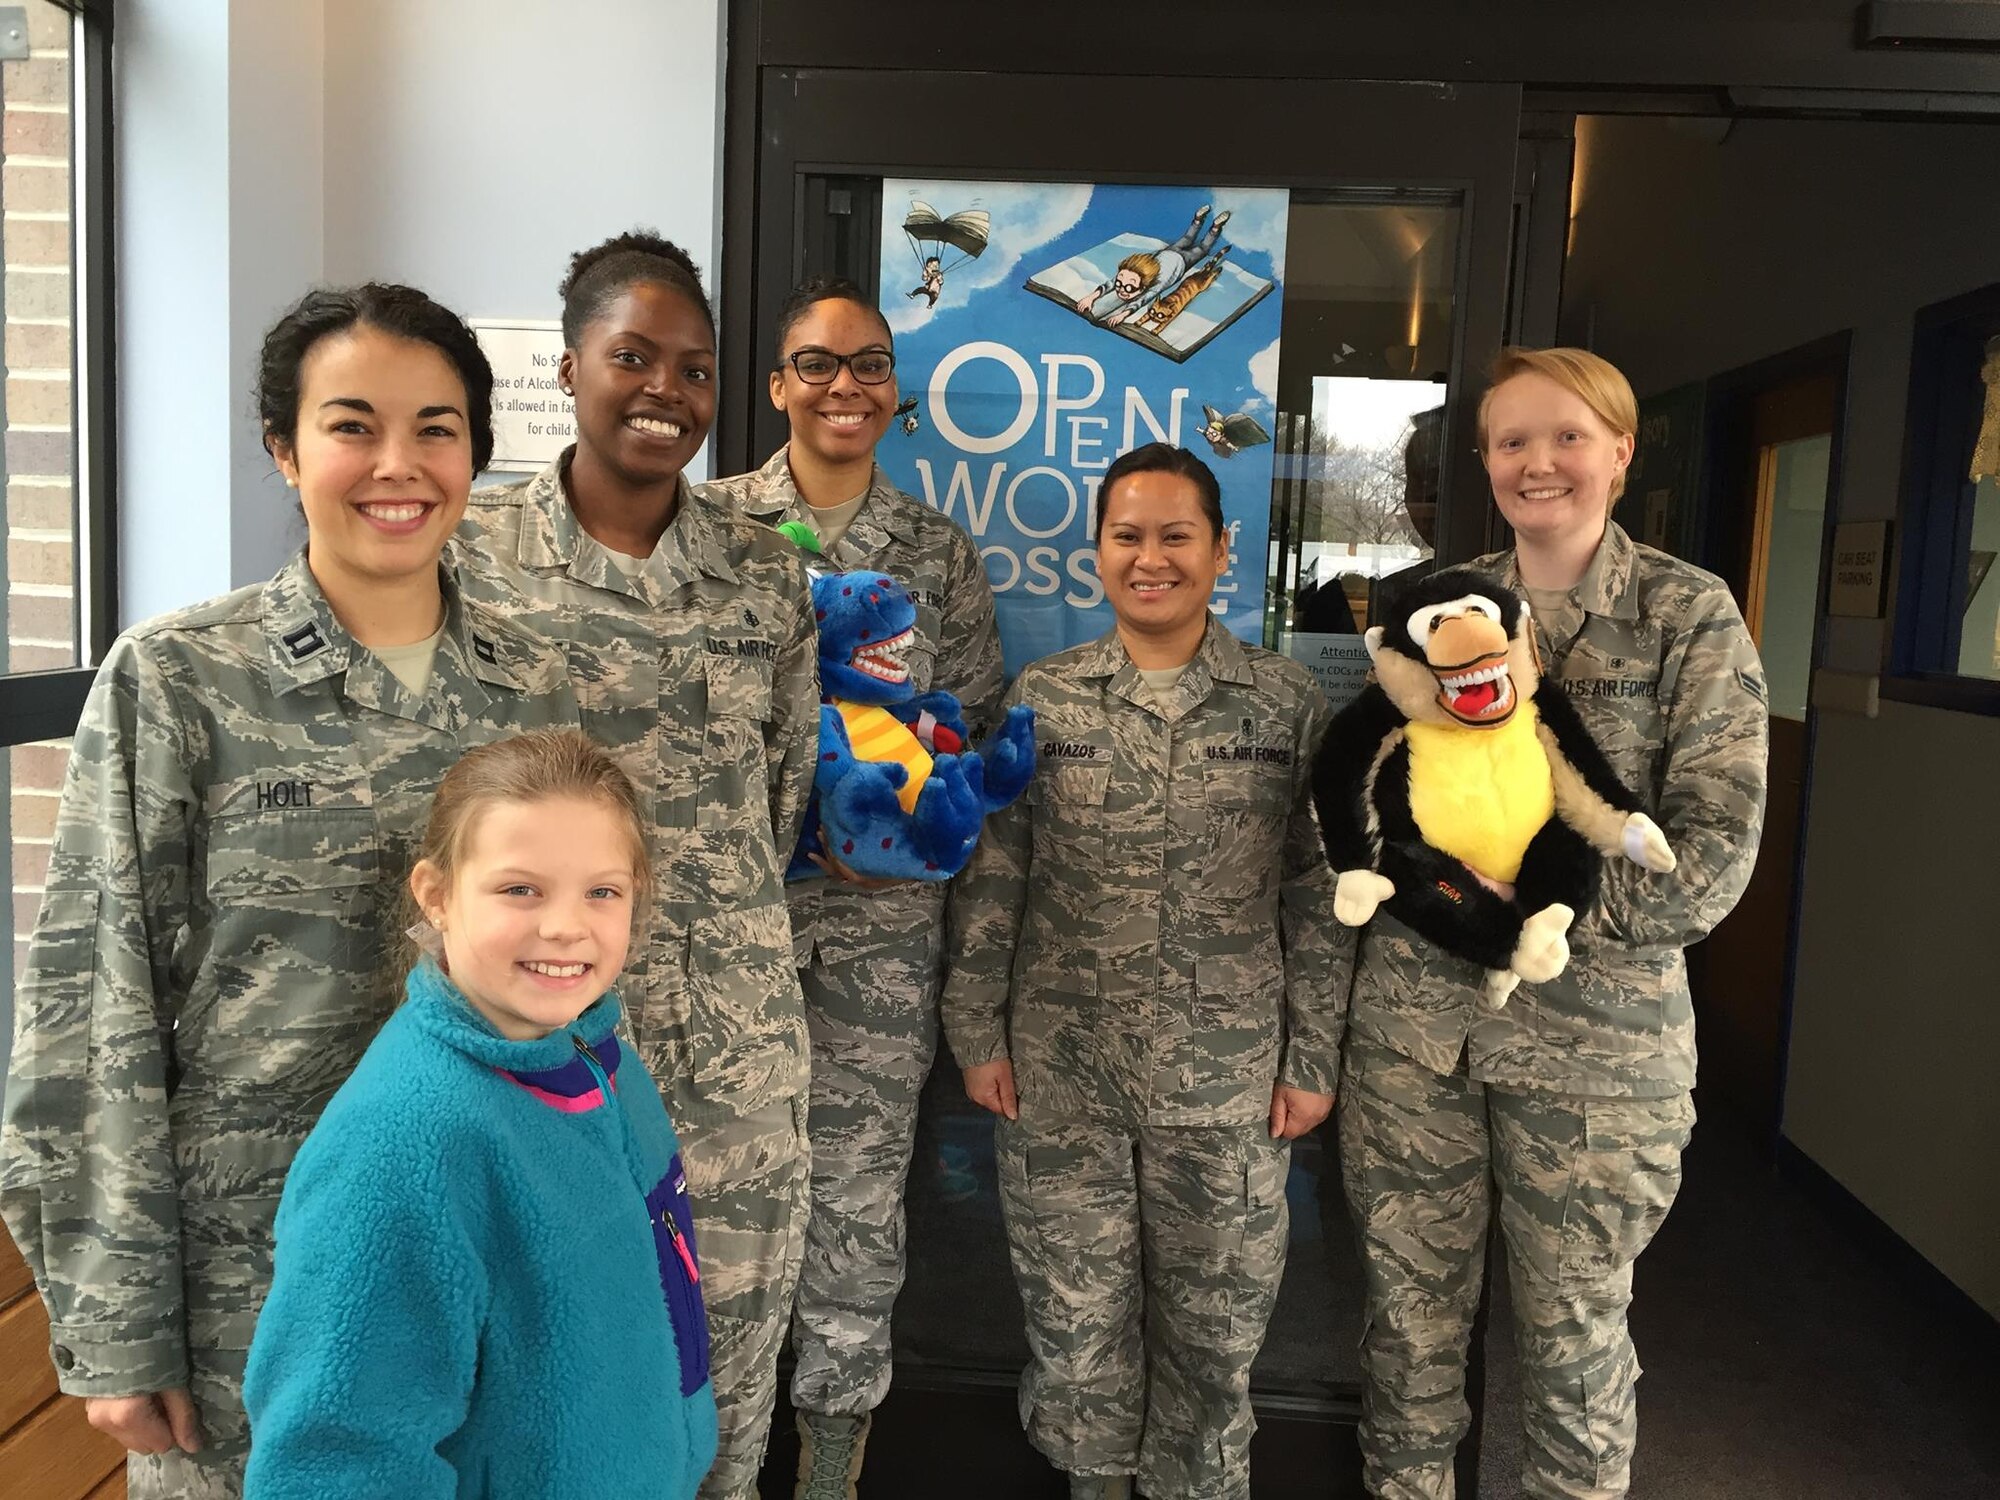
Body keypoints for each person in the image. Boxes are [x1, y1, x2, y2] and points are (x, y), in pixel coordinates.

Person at [0, 283, 582, 1498]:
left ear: (475, 451)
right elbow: (89, 1008)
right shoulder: (180, 681)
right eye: (351, 424)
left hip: (484, 1260)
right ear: (284, 447)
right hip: (254, 1282)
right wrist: (114, 1322)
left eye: (436, 428)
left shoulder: (534, 687)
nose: (397, 465)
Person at [1337, 346, 1768, 1500]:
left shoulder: (1686, 615)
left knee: (1572, 1346)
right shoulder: (1433, 604)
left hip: (1596, 1062)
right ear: (1482, 462)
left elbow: (1711, 856)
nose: (1540, 464)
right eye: (1512, 441)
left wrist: (1532, 907)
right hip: (1417, 1042)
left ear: (1619, 452)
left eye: (1567, 437)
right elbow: (1372, 788)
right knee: (1407, 1337)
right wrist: (1421, 885)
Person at [453, 230, 818, 1500]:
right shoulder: (471, 567)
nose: (665, 388)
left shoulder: (767, 579)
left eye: (694, 367)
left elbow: (780, 807)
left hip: (734, 1063)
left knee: (719, 1383)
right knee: (541, 1378)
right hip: (538, 1052)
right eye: (633, 358)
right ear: (568, 370)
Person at [942, 443, 1346, 1500]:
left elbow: (1317, 894)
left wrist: (1311, 1058)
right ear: (1097, 553)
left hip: (1225, 1087)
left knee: (1213, 1343)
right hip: (1060, 1076)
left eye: (1175, 536)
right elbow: (997, 874)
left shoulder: (1284, 703)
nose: (1149, 558)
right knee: (1075, 1333)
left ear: (1221, 551)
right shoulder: (1047, 697)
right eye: (1127, 535)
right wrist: (976, 1032)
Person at [697, 277, 1004, 1497]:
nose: (843, 386)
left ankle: (830, 1462)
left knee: (859, 1203)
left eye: (868, 365)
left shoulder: (933, 550)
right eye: (816, 364)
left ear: (894, 391)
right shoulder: (708, 528)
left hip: (880, 933)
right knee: (714, 1189)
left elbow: (970, 738)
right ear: (776, 386)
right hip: (728, 924)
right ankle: (713, 1459)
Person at [243, 730, 717, 1498]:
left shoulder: (599, 1054)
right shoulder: (401, 1142)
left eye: (602, 891)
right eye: (519, 889)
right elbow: (335, 1462)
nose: (566, 926)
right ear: (436, 894)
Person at [1073, 202, 1231, 328]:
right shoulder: (1131, 274)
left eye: (1129, 288)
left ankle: (1214, 227)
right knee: (1188, 238)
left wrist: (1122, 315)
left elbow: (1139, 302)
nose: (1121, 289)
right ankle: (1200, 220)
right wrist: (1090, 297)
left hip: (1183, 261)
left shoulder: (1152, 286)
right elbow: (1110, 284)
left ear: (1143, 287)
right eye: (1121, 284)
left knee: (1202, 248)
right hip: (1170, 252)